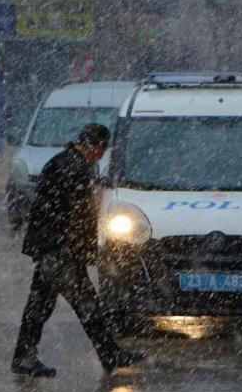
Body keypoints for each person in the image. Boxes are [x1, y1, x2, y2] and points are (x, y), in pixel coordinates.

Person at [12, 123, 145, 377]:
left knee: (40, 304)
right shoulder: (72, 168)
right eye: (102, 151)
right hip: (60, 251)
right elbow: (75, 216)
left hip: (54, 249)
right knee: (86, 304)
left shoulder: (64, 163)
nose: (101, 156)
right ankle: (108, 354)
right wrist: (79, 251)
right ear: (96, 147)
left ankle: (25, 356)